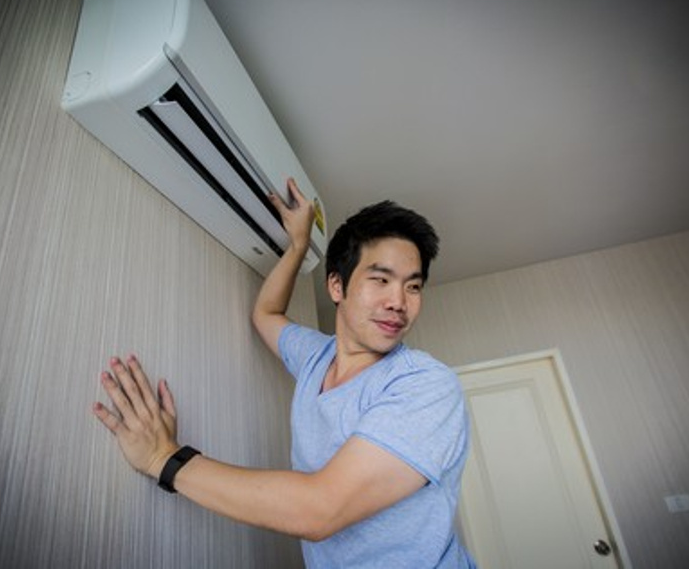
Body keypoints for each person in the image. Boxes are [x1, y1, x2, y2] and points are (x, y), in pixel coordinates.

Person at [92, 178, 475, 568]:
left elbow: (319, 509)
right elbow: (266, 314)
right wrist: (298, 246)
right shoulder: (315, 356)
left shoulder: (427, 385)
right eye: (380, 279)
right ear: (337, 286)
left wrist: (164, 459)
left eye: (413, 287)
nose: (398, 302)